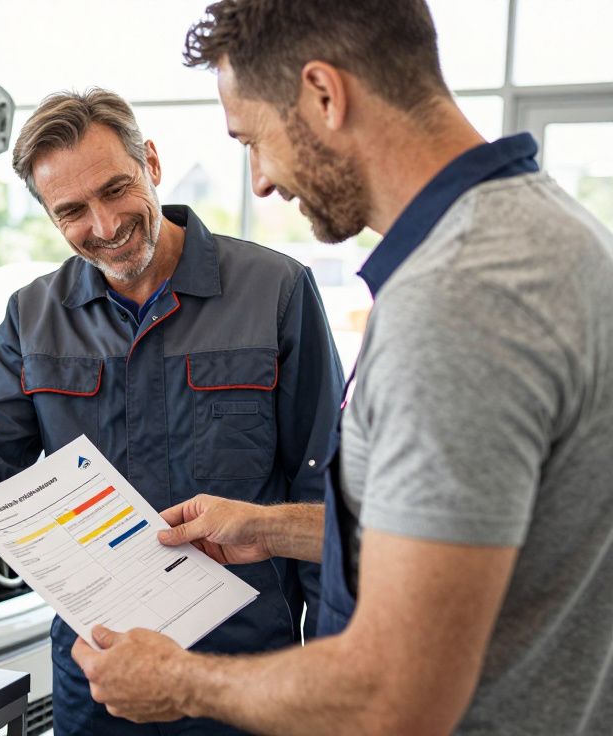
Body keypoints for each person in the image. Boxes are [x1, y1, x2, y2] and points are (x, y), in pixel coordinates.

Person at [71, 1, 613, 733]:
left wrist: (180, 681)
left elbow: (394, 693)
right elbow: (482, 529)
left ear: (325, 95)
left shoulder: (459, 299)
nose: (259, 181)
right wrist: (279, 528)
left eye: (253, 140)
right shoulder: (544, 232)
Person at [0, 88, 345, 734]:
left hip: (242, 681)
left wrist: (331, 673)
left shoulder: (274, 291)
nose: (106, 226)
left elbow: (325, 485)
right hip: (100, 681)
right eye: (73, 211)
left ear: (153, 165)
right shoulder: (34, 317)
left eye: (116, 190)